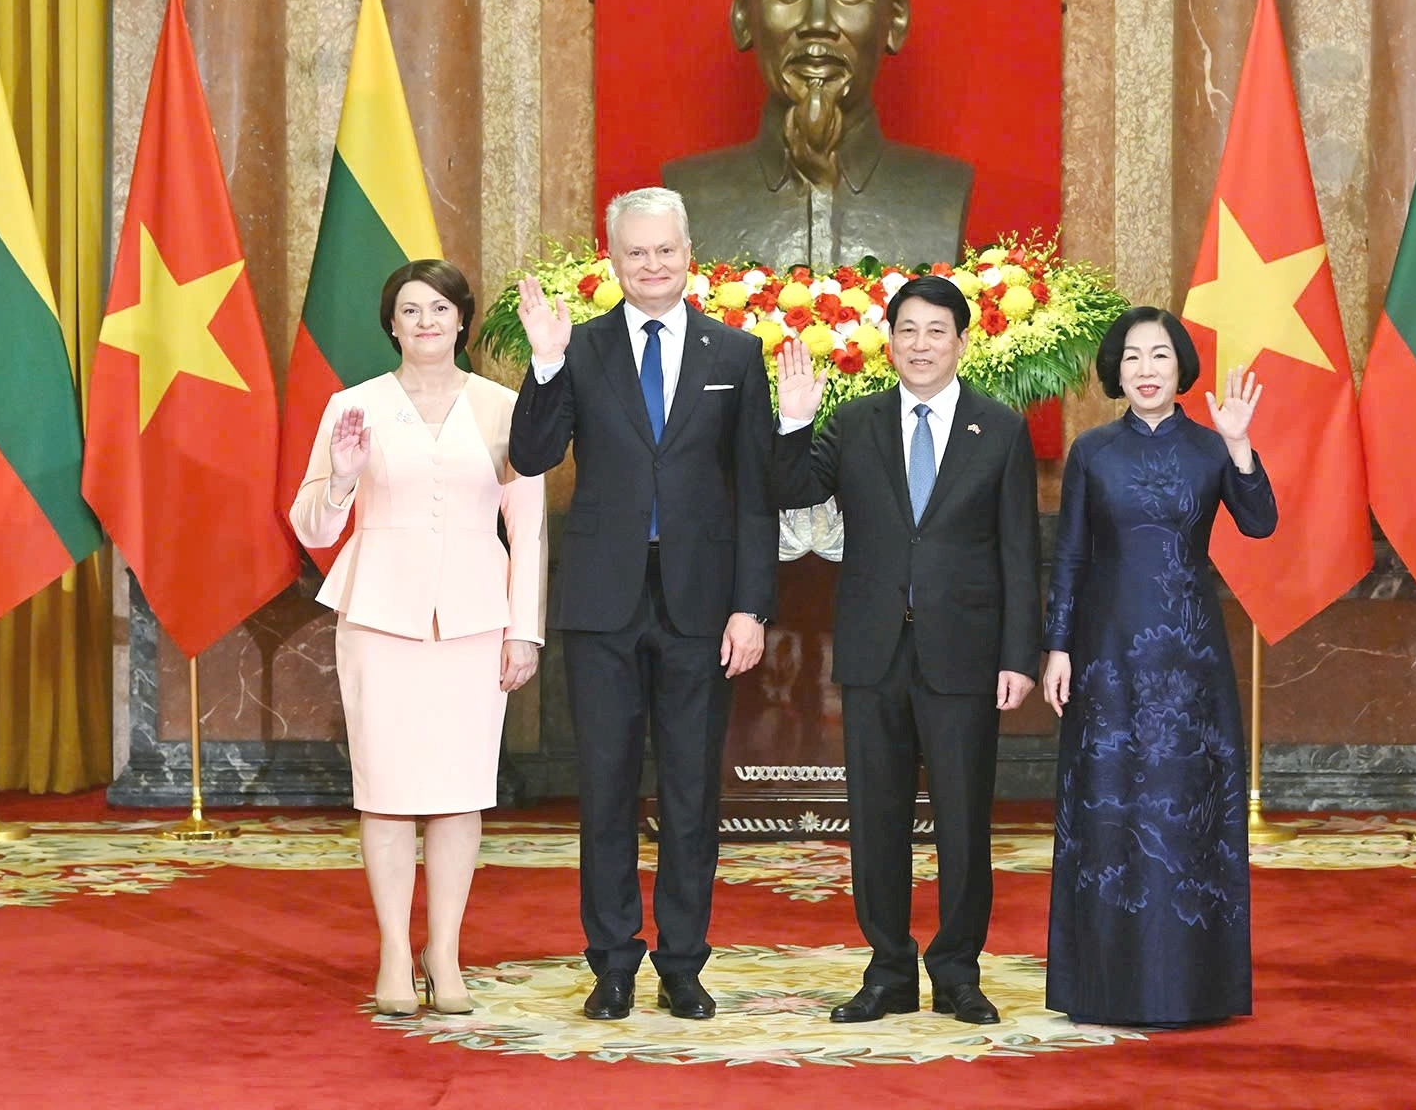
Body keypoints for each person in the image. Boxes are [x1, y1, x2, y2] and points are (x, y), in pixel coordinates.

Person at [508, 186, 777, 1022]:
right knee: (606, 788)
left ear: (688, 254)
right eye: (636, 252)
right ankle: (613, 961)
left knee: (693, 791)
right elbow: (532, 454)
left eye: (665, 250)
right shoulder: (579, 348)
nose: (652, 265)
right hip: (603, 601)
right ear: (614, 259)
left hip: (703, 605)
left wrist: (751, 607)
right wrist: (544, 365)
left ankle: (683, 962)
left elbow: (756, 492)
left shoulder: (735, 353)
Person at [771, 275, 1040, 1026]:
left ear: (962, 342)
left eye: (936, 331)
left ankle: (957, 972)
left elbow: (1020, 551)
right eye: (908, 331)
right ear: (888, 343)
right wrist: (794, 420)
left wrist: (1019, 655)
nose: (921, 345)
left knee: (963, 822)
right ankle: (888, 969)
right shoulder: (854, 422)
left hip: (965, 653)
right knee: (876, 820)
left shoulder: (1000, 428)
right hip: (874, 651)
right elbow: (789, 489)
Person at [289, 258, 547, 1018]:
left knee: (461, 793)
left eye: (439, 308)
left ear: (462, 320)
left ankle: (445, 952)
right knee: (388, 792)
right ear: (391, 325)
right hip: (379, 617)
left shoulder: (506, 409)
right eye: (410, 310)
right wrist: (341, 478)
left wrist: (524, 631)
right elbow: (312, 527)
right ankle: (395, 955)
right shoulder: (353, 406)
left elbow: (528, 532)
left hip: (475, 622)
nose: (426, 321)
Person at [1040, 306, 1277, 1029]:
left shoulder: (1210, 447)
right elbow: (1070, 555)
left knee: (1188, 816)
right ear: (1117, 371)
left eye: (1161, 356)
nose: (1146, 370)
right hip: (1106, 657)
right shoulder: (1092, 452)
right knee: (1106, 813)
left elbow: (1261, 522)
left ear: (1182, 370)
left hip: (1189, 660)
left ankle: (1194, 990)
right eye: (1134, 358)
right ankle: (1102, 987)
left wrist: (1240, 446)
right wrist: (1057, 646)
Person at [662, 0, 971, 268]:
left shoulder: (943, 193)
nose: (818, 22)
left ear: (895, 17)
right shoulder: (690, 194)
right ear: (742, 14)